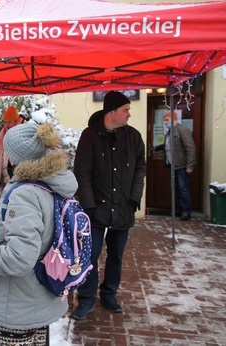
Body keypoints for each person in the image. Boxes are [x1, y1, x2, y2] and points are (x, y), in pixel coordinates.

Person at [0, 122, 78, 345]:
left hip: (18, 304)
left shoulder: (25, 194)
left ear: (16, 157)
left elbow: (19, 258)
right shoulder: (52, 184)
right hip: (39, 296)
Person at [71, 91, 146, 320]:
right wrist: (88, 205)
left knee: (116, 255)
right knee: (90, 255)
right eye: (125, 110)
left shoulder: (133, 137)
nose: (129, 114)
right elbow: (81, 173)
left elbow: (140, 167)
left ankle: (109, 293)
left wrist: (134, 198)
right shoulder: (90, 136)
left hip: (123, 206)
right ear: (111, 112)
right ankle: (86, 298)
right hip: (95, 209)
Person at [162, 112, 197, 220]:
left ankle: (186, 212)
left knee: (183, 189)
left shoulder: (182, 130)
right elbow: (168, 146)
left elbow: (190, 148)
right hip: (173, 165)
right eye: (165, 120)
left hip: (181, 165)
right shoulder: (170, 132)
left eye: (167, 120)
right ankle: (177, 209)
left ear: (174, 119)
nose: (165, 122)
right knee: (175, 189)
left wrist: (190, 165)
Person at [0, 105, 26, 178]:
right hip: (7, 166)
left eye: (9, 122)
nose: (7, 124)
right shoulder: (4, 132)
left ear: (15, 121)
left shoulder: (22, 131)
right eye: (5, 122)